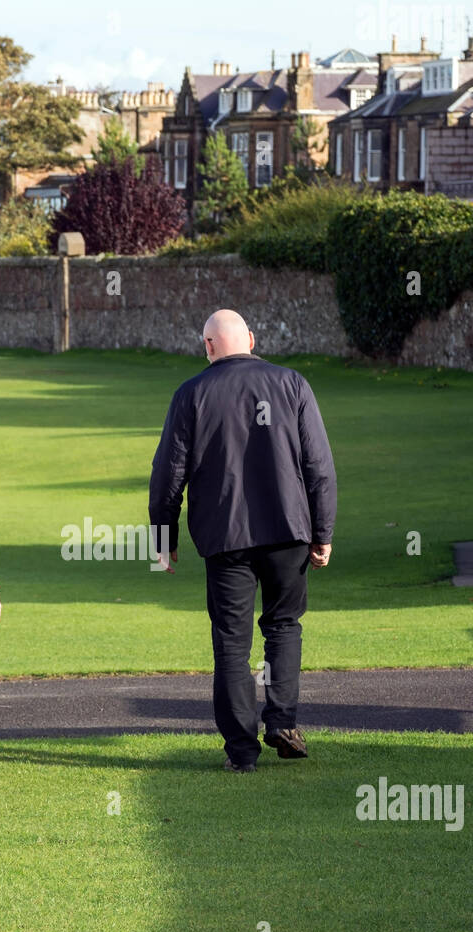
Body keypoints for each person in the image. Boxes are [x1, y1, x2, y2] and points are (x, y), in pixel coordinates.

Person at [149, 309, 336, 772]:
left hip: (224, 534)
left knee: (231, 644)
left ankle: (241, 752)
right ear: (251, 339)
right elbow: (318, 464)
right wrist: (323, 530)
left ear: (207, 346)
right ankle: (281, 721)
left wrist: (163, 535)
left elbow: (168, 473)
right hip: (287, 529)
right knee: (283, 626)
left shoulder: (191, 393)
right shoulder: (292, 383)